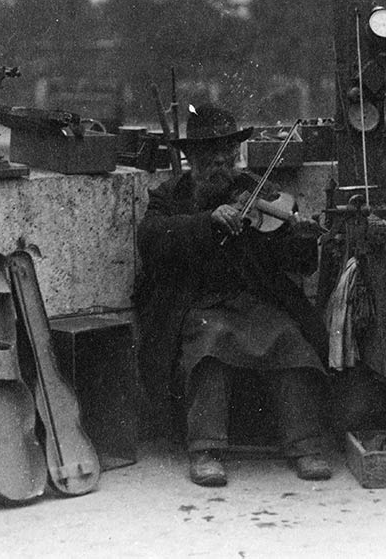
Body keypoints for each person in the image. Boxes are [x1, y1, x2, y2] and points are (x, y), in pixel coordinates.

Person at [134, 104, 332, 487]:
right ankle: (205, 450)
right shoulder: (170, 195)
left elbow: (292, 258)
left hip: (254, 300)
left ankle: (305, 445)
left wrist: (302, 239)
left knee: (290, 340)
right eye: (210, 157)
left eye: (228, 156)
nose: (221, 166)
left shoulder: (259, 191)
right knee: (209, 346)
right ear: (192, 158)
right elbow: (152, 238)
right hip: (197, 305)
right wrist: (204, 223)